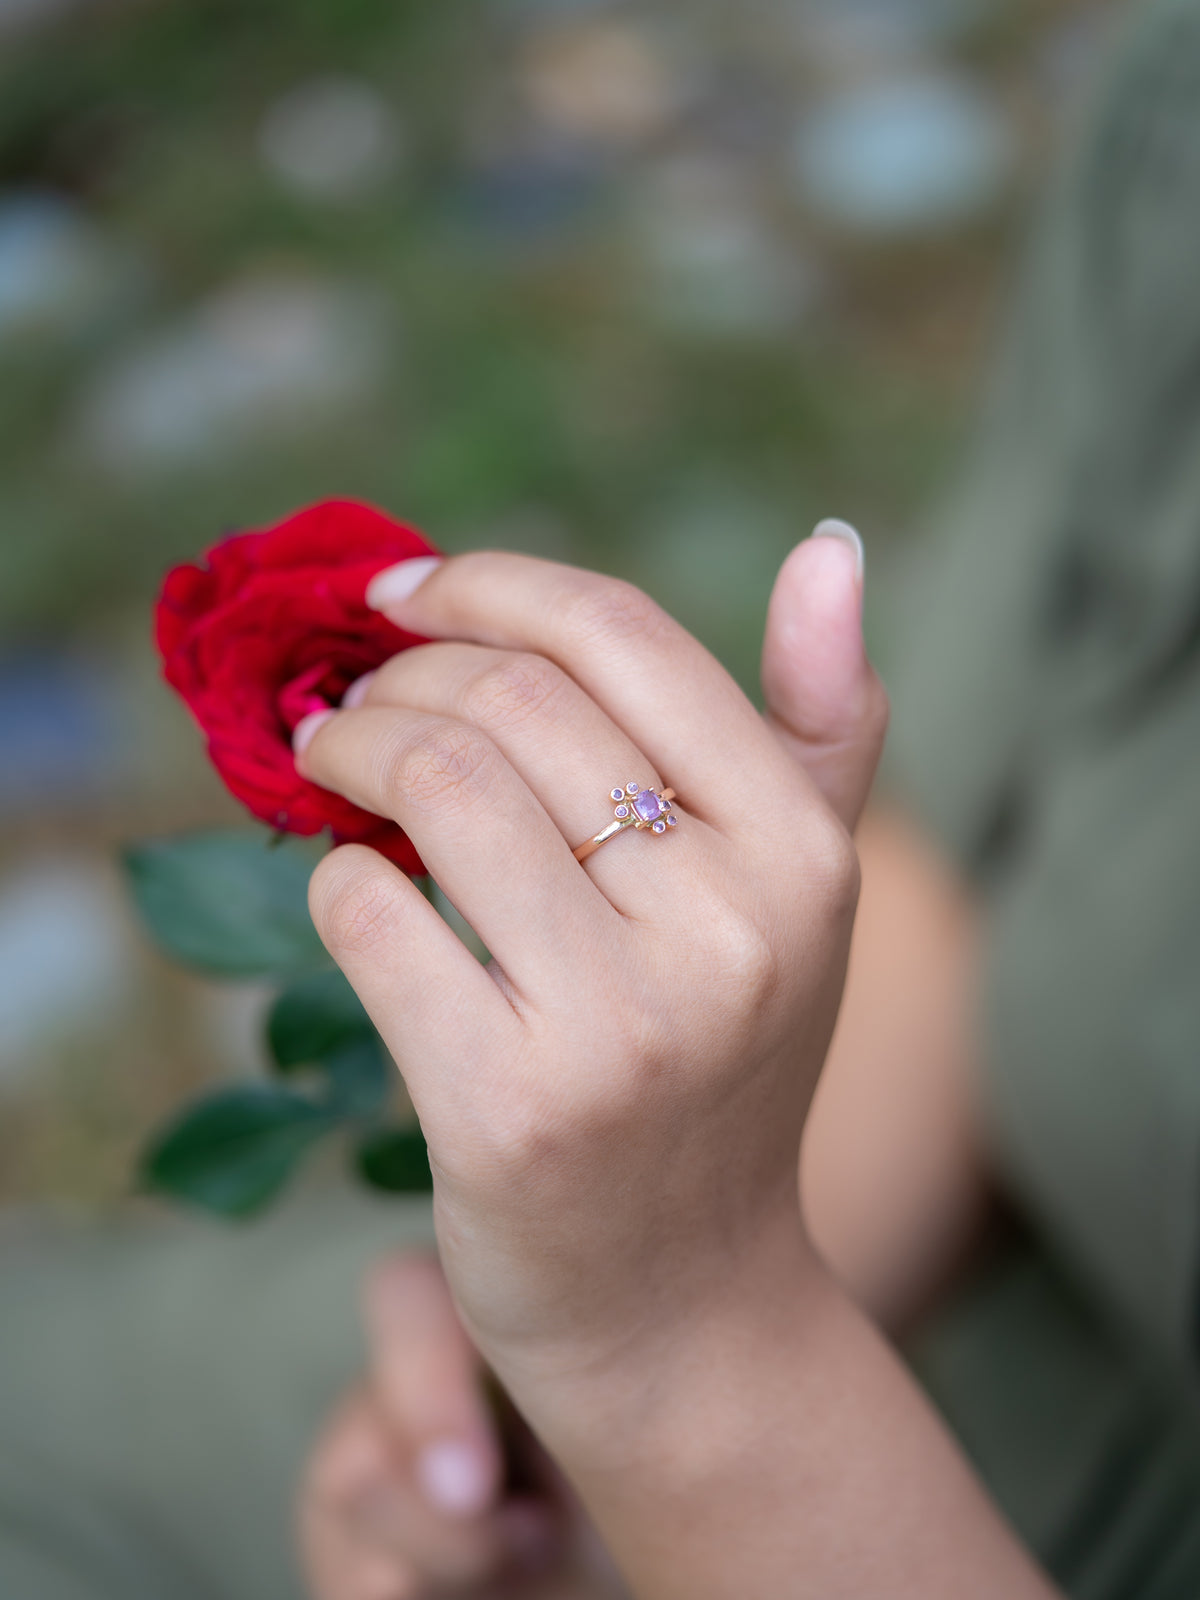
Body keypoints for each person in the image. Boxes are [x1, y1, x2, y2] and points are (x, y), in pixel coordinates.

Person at [2, 1, 1199, 1595]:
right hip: (864, 1307)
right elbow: (995, 882)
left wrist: (671, 1352)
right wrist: (530, 1423)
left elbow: (697, 1366)